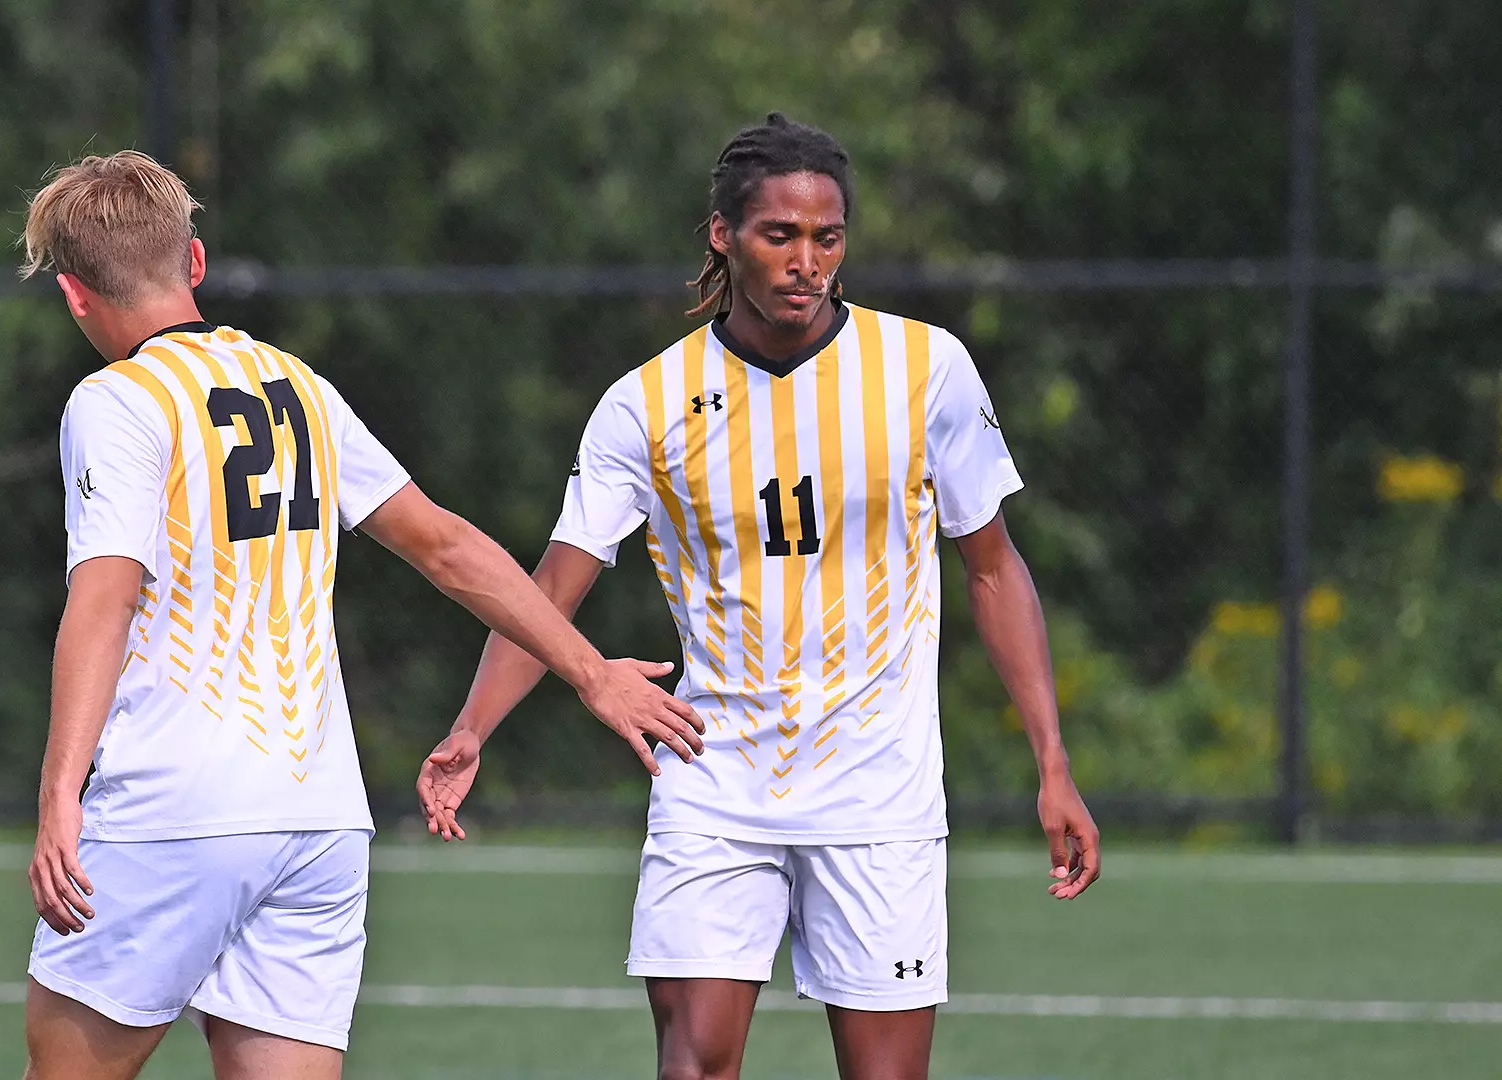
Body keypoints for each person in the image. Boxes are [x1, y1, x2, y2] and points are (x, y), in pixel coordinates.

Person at [416, 114, 1101, 1080]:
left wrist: (1052, 762)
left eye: (828, 238)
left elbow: (992, 568)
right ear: (722, 234)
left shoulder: (925, 369)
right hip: (713, 782)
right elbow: (551, 588)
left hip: (879, 791)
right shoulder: (646, 404)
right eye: (780, 235)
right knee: (694, 1065)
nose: (806, 261)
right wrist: (473, 727)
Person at [16, 150, 704, 1080]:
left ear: (74, 296)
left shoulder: (116, 401)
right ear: (197, 262)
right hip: (319, 818)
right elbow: (446, 545)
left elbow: (105, 595)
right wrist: (591, 672)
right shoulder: (296, 384)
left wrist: (61, 790)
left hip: (175, 808)